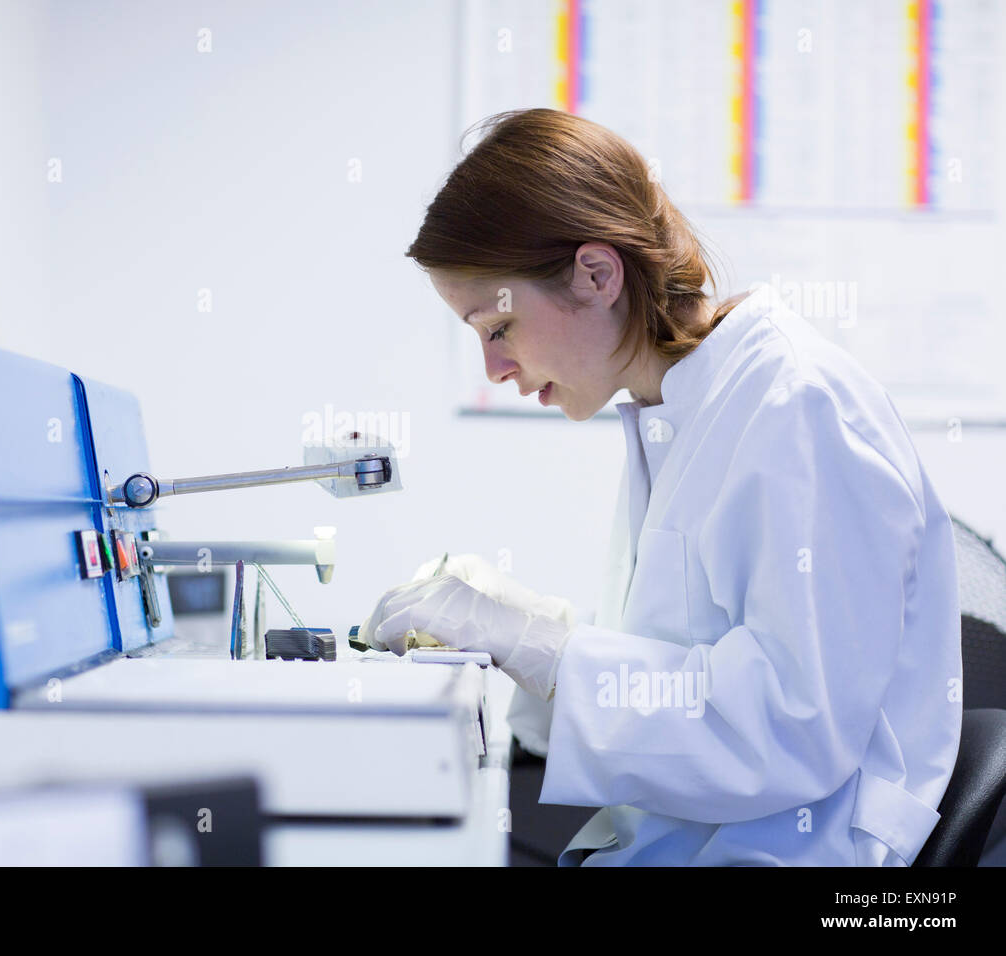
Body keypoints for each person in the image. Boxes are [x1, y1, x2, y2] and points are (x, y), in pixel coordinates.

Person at [359, 108, 962, 866]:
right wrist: (529, 638)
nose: (495, 369)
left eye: (498, 328)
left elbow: (791, 728)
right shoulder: (678, 409)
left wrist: (549, 651)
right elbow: (687, 663)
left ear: (598, 274)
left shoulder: (796, 406)